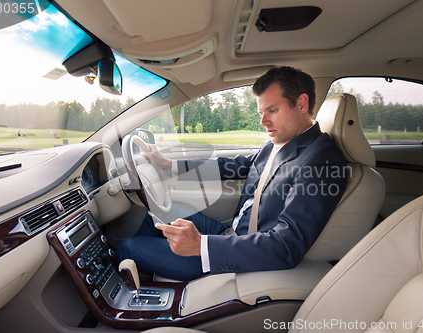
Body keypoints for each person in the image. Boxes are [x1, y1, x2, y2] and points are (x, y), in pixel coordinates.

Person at [116, 67, 347, 281]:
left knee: (128, 247)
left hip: (237, 254)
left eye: (272, 110)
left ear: (302, 103)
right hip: (228, 234)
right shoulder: (280, 143)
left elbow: (287, 245)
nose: (263, 121)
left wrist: (201, 246)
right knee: (155, 213)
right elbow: (232, 166)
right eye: (261, 112)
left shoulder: (321, 161)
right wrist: (167, 164)